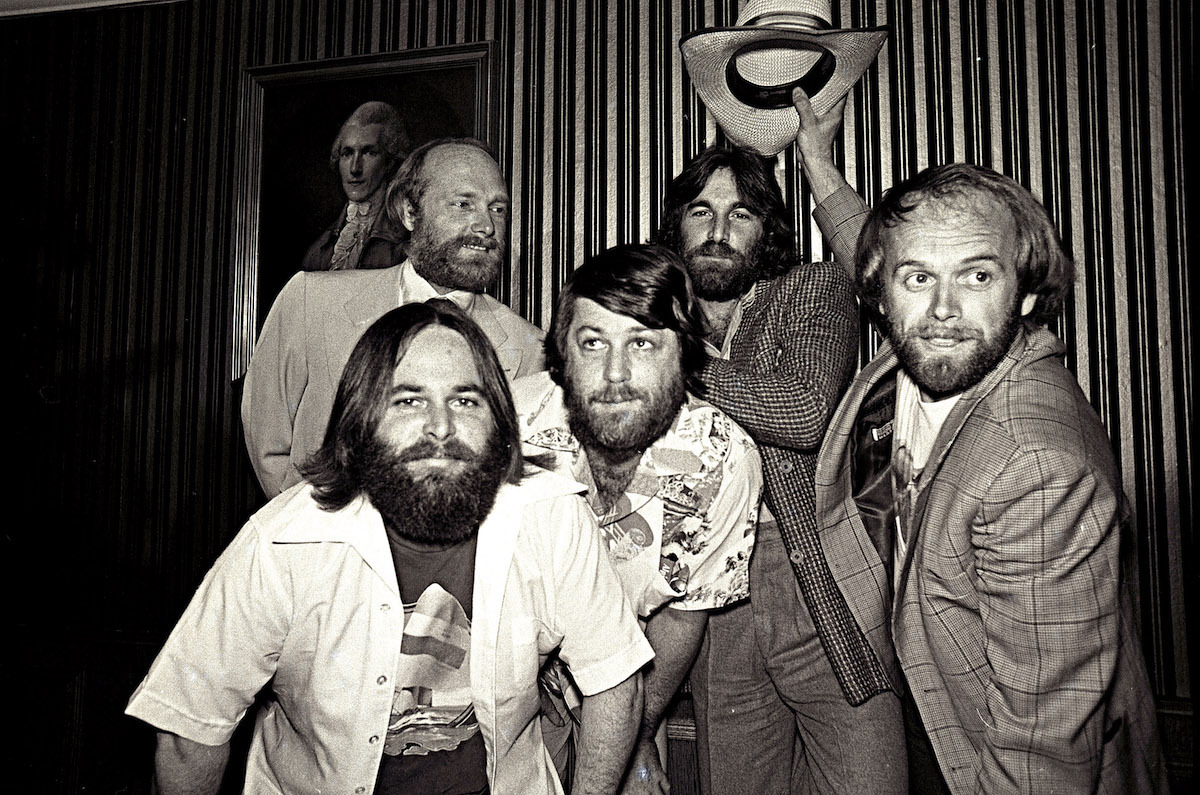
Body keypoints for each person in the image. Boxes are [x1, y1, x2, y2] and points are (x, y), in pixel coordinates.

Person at [128, 300, 652, 794]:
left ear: (499, 423)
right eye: (408, 400)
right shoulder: (281, 542)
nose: (441, 427)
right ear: (361, 422)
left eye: (465, 400)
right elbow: (188, 728)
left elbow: (615, 681)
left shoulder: (553, 514)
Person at [816, 162, 1167, 792]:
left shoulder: (1035, 465)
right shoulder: (927, 347)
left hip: (982, 755)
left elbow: (1041, 745)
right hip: (930, 699)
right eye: (918, 278)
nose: (943, 309)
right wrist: (819, 168)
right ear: (880, 290)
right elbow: (874, 246)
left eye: (978, 276)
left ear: (1026, 294)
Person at [652, 90, 906, 794]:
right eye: (700, 211)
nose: (718, 229)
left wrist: (670, 360)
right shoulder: (651, 320)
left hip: (821, 586)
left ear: (767, 233)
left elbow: (799, 411)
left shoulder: (813, 289)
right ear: (676, 229)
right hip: (714, 608)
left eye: (741, 213)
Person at [510, 244, 762, 793]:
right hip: (507, 673)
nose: (615, 373)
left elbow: (681, 616)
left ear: (686, 354)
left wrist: (636, 736)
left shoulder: (723, 459)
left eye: (642, 343)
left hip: (635, 671)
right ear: (561, 351)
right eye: (593, 342)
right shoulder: (505, 429)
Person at [243, 137, 546, 497]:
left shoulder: (531, 349)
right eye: (464, 204)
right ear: (409, 212)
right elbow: (268, 441)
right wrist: (316, 534)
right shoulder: (310, 301)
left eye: (497, 209)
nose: (486, 226)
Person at [302, 100, 410, 271]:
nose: (354, 168)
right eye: (347, 153)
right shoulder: (320, 249)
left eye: (369, 152)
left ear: (389, 162)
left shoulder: (406, 242)